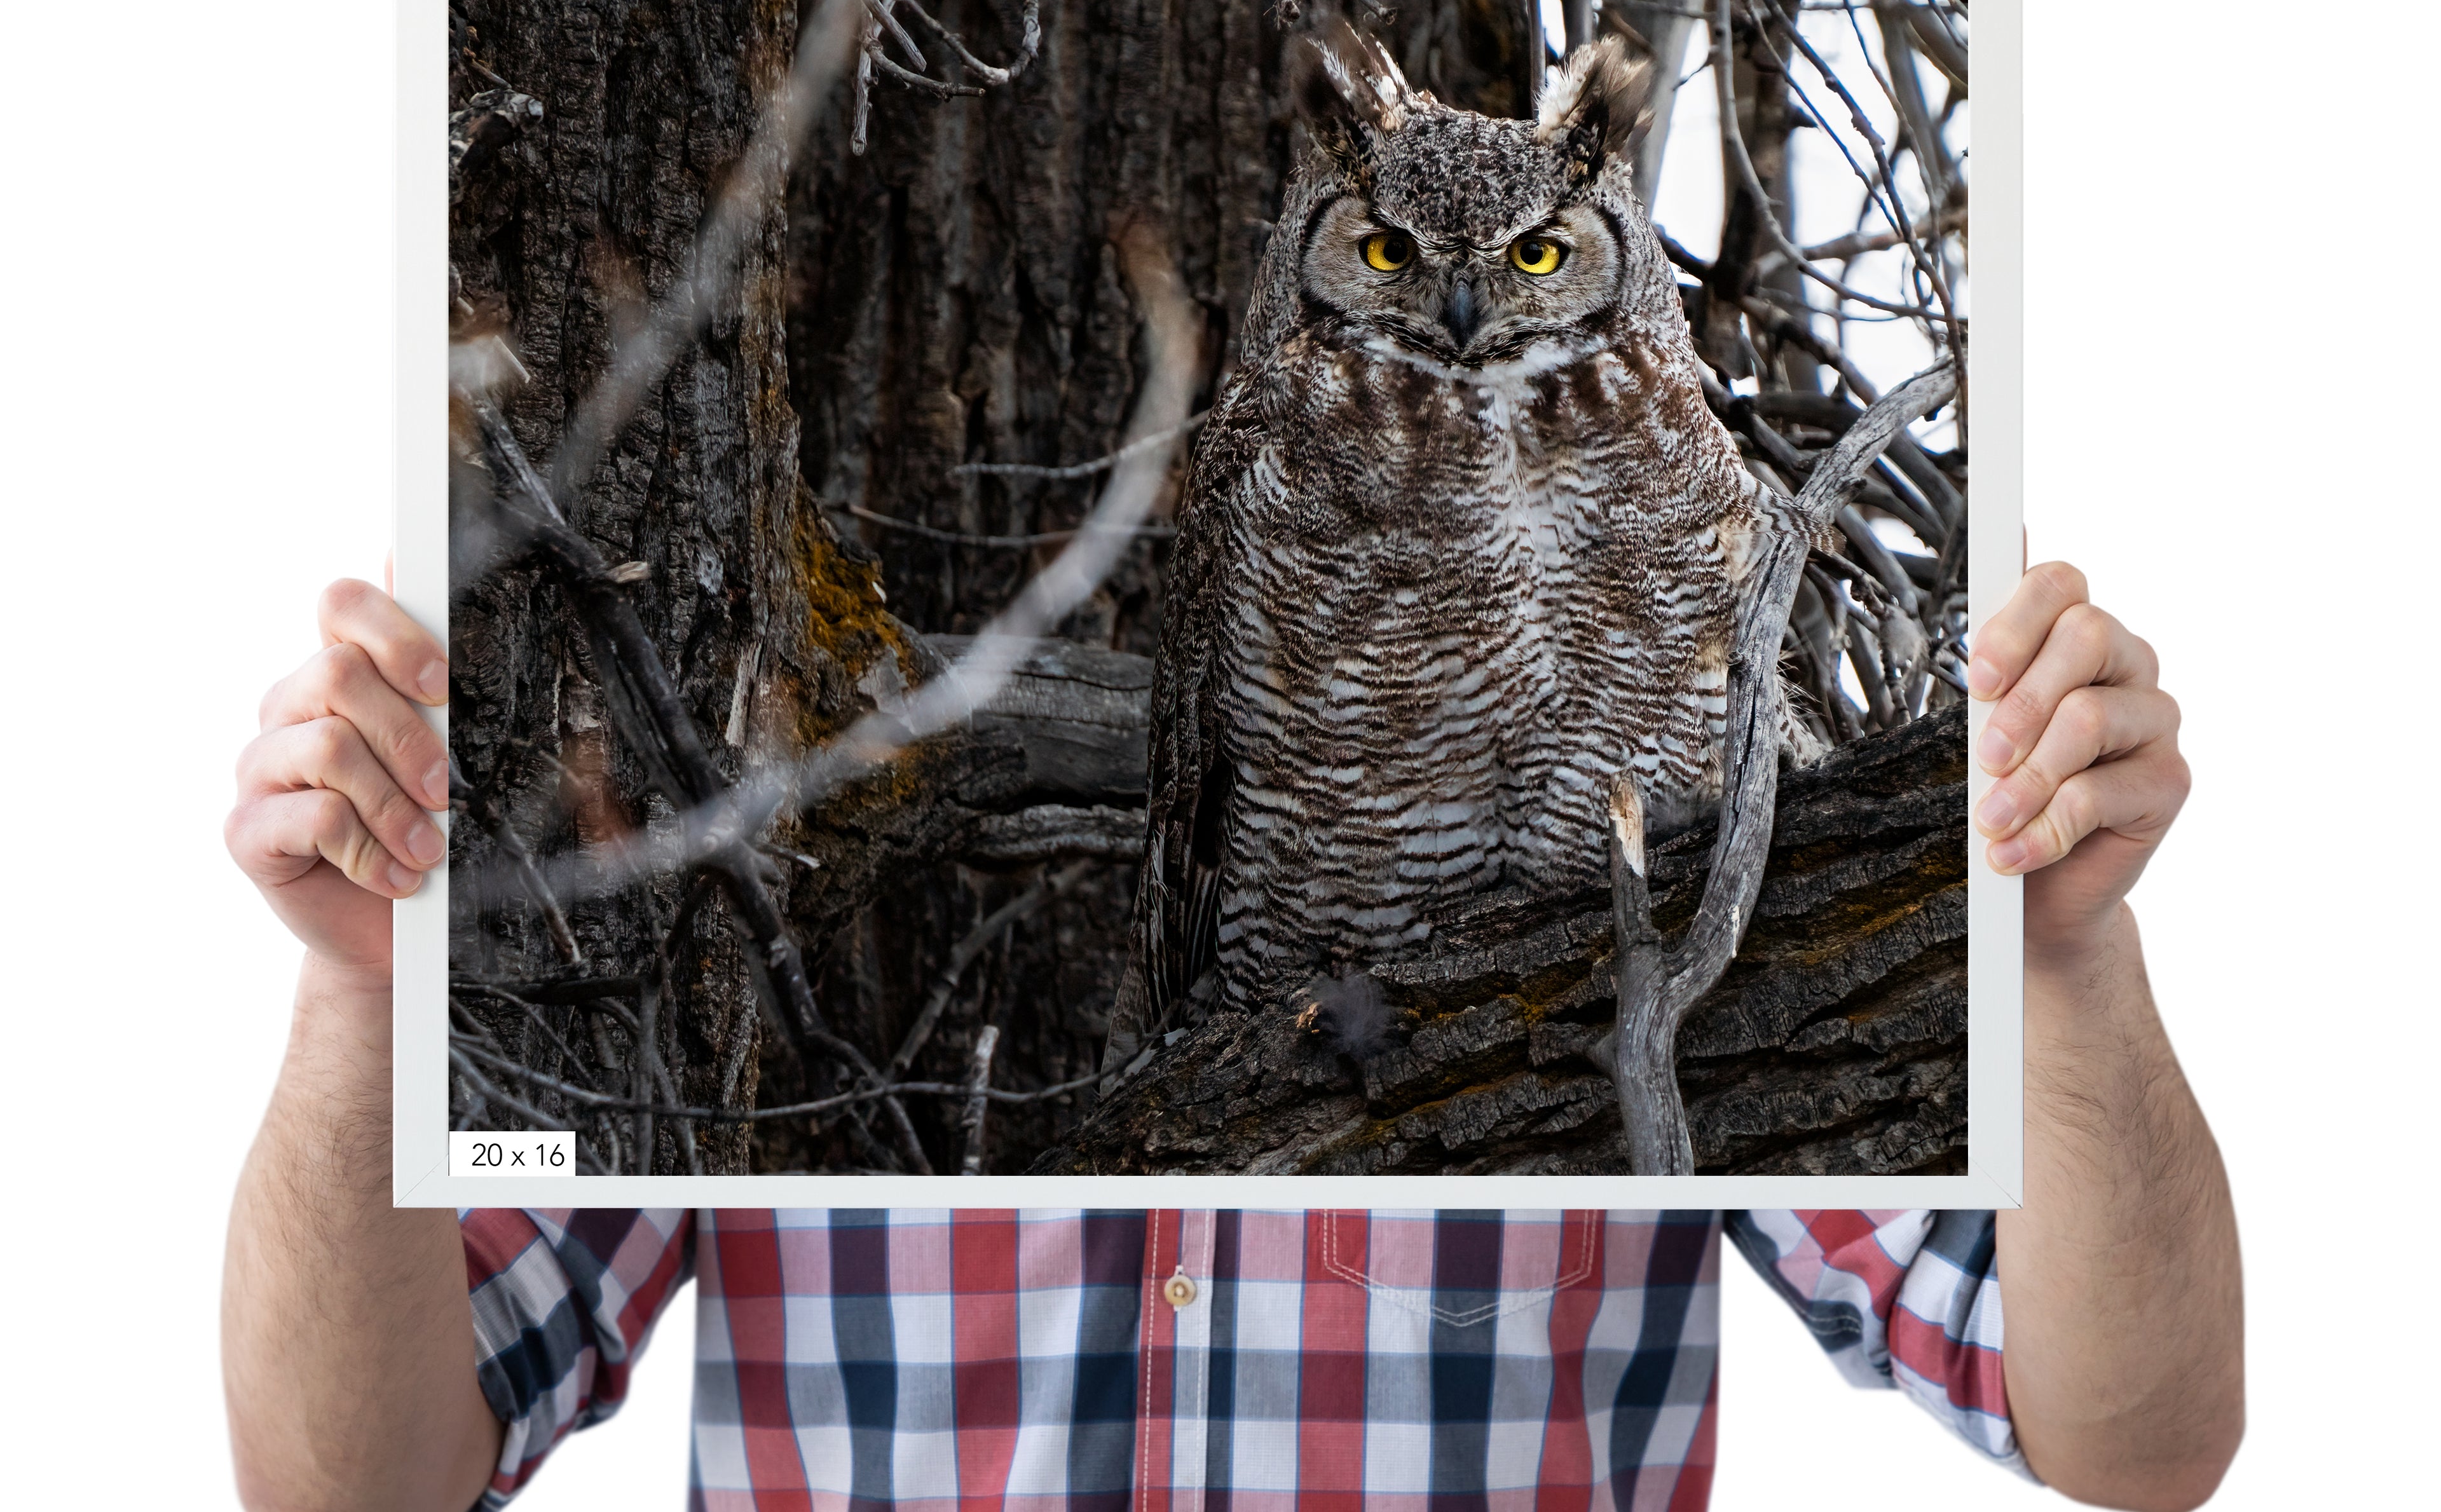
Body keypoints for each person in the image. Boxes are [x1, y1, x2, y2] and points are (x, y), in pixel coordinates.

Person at [221, 562, 2241, 1512]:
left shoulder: (1650, 634)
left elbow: (2134, 1434)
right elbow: (351, 1480)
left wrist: (2061, 957)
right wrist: (367, 998)